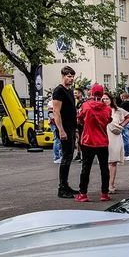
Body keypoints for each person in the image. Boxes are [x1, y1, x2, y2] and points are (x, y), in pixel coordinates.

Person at [75, 84, 112, 202]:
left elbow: (79, 119)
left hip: (88, 141)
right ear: (102, 94)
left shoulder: (86, 106)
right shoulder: (107, 108)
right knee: (104, 168)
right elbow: (108, 120)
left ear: (91, 93)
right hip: (102, 141)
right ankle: (104, 193)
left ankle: (83, 193)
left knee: (86, 168)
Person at [51, 67, 78, 198]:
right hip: (64, 128)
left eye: (72, 76)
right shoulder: (59, 91)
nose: (71, 79)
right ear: (63, 76)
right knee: (66, 158)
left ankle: (66, 185)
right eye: (68, 76)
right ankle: (62, 187)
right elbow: (56, 112)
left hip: (71, 127)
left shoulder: (69, 90)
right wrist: (61, 130)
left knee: (69, 156)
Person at [103, 92, 129, 194]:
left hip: (114, 136)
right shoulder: (100, 110)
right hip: (103, 137)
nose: (104, 101)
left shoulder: (118, 110)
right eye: (103, 99)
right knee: (105, 162)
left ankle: (111, 185)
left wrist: (122, 125)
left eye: (106, 98)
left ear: (111, 99)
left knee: (112, 161)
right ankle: (106, 184)